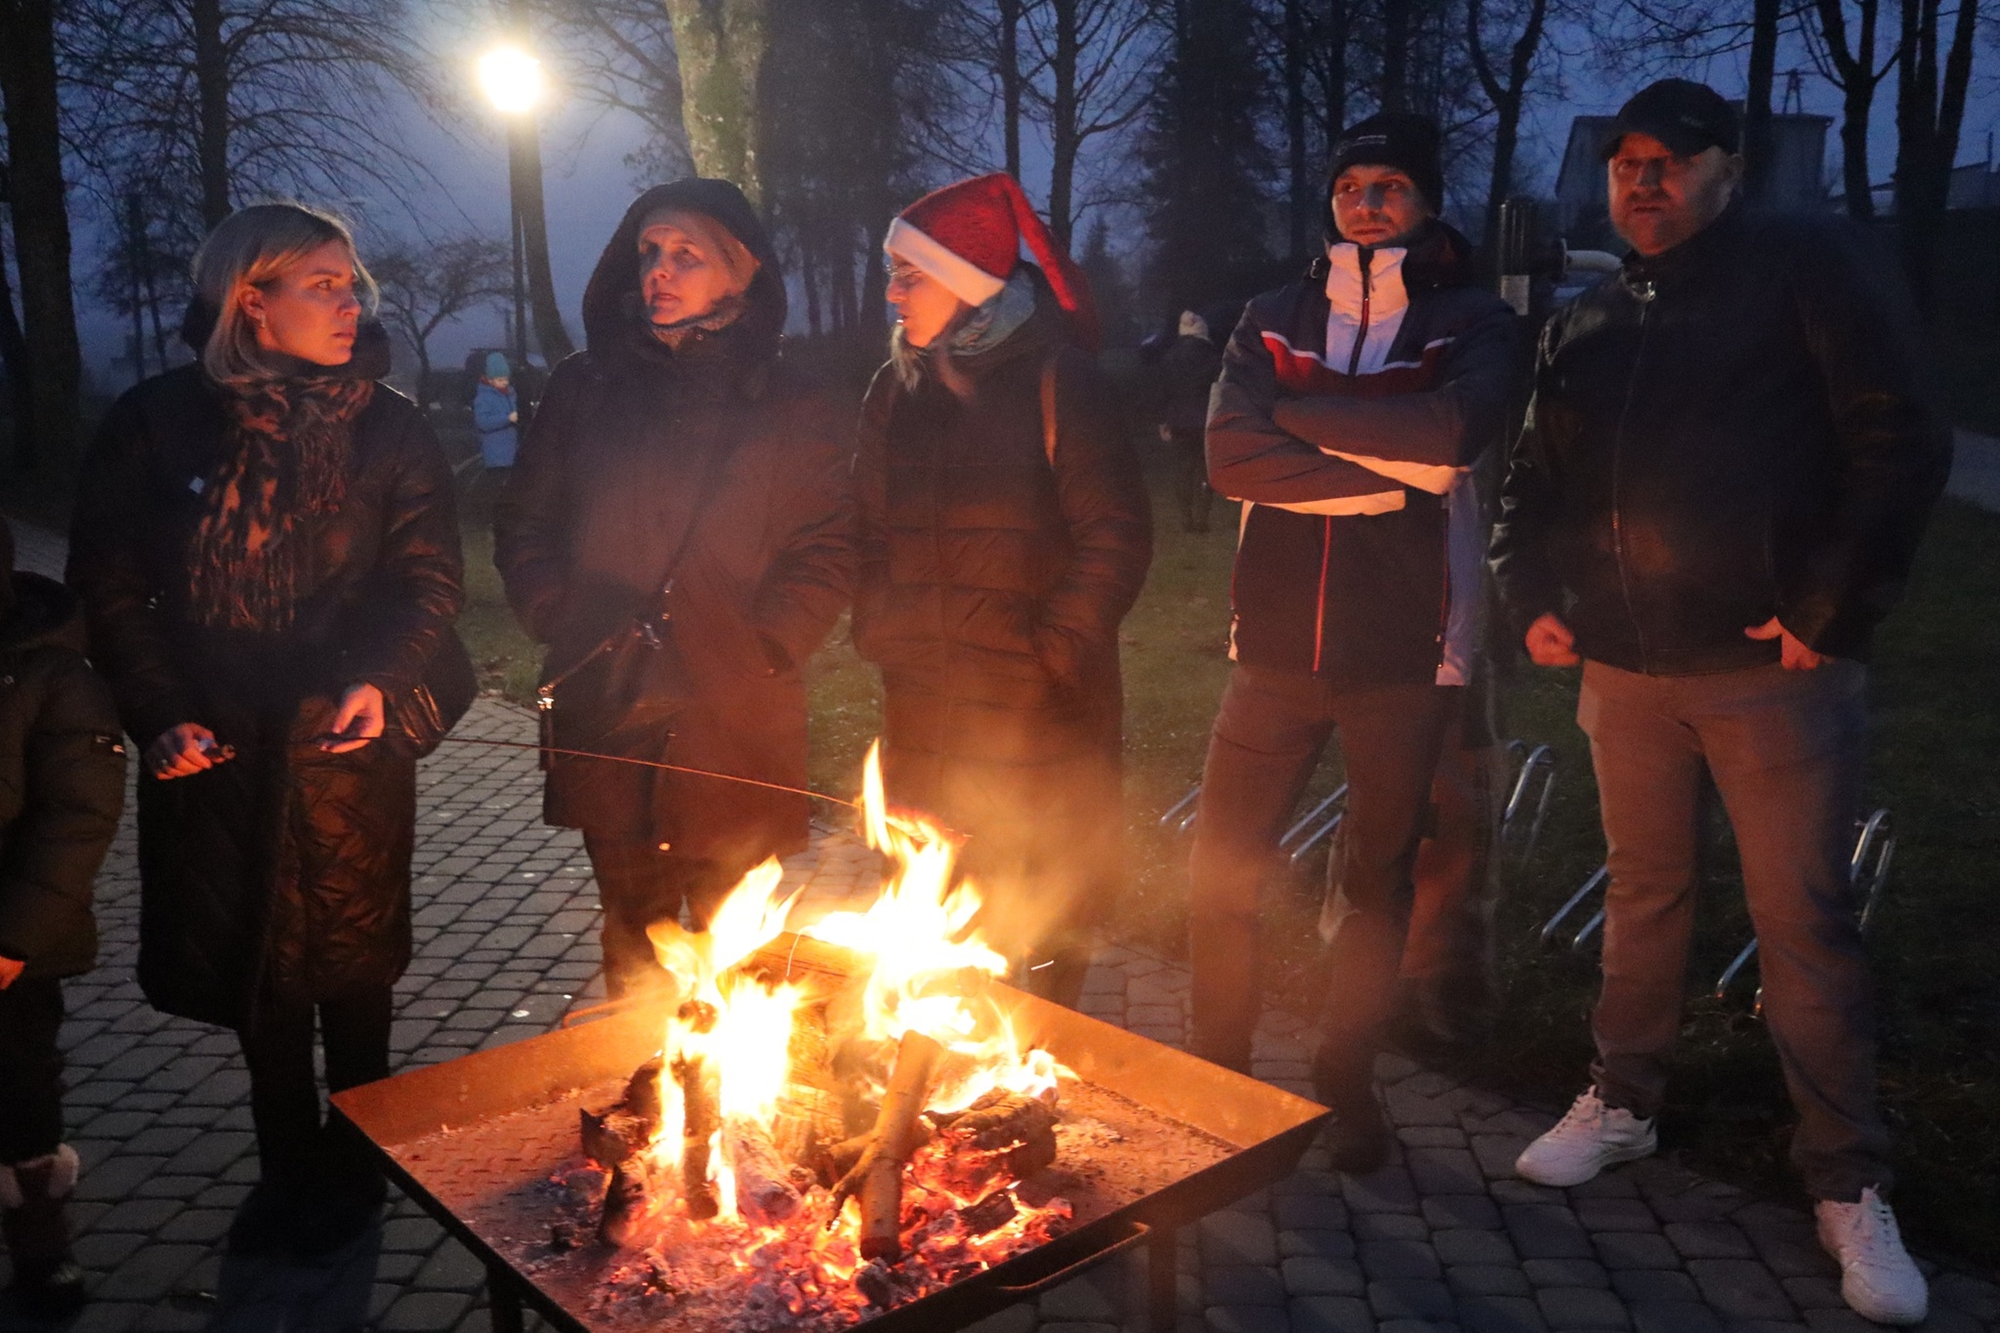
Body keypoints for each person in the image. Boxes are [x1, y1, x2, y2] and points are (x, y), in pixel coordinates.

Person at [1488, 80, 1952, 1326]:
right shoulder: (1587, 315)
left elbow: (1897, 436)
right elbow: (1533, 477)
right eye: (1624, 163)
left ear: (1726, 170)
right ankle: (1623, 1100)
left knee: (1797, 917)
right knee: (1643, 890)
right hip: (1626, 670)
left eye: (1670, 162)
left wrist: (1825, 607)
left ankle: (1846, 1180)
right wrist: (1530, 590)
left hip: (1766, 673)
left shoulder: (1803, 270)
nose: (1642, 182)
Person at [67, 203, 465, 1257]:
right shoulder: (155, 423)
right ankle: (288, 1165)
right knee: (258, 969)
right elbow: (110, 590)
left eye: (352, 282)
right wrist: (160, 713)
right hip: (219, 753)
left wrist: (380, 676)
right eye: (323, 282)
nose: (351, 300)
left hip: (343, 748)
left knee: (354, 961)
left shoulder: (387, 424)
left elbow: (425, 580)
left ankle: (368, 1159)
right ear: (253, 298)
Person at [1189, 112, 1517, 1170]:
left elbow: (1453, 435)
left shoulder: (1472, 319)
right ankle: (1215, 1074)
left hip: (1406, 654)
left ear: (1423, 204)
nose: (1365, 203)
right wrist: (1389, 484)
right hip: (1273, 647)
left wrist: (1300, 416)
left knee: (1374, 882)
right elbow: (1228, 455)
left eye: (1388, 187)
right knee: (1220, 871)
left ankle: (1343, 1075)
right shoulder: (1270, 312)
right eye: (1350, 187)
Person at [494, 179, 854, 998]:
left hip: (733, 711)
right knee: (634, 945)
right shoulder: (586, 387)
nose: (659, 269)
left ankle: (735, 1121)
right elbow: (524, 520)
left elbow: (830, 541)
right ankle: (646, 1111)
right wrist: (561, 611)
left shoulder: (795, 400)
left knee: (740, 959)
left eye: (686, 254)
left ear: (742, 269)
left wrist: (770, 640)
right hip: (612, 701)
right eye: (650, 251)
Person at [853, 173, 1151, 1008]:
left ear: (969, 280)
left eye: (909, 274)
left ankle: (1041, 1089)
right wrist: (881, 631)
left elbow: (1117, 539)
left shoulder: (1062, 383)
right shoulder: (894, 391)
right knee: (937, 928)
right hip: (923, 715)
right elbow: (866, 532)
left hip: (1043, 721)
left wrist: (1047, 655)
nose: (893, 292)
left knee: (1050, 927)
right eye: (894, 273)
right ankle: (942, 1110)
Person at [0, 519, 127, 1317]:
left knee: (20, 1090)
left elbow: (77, 814)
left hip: (14, 944)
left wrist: (13, 937)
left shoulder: (47, 669)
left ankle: (40, 1243)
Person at [1158, 311, 1222, 533]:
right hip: (1206, 421)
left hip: (1179, 421)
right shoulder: (1213, 356)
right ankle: (1202, 520)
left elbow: (1162, 391)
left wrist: (1162, 420)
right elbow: (1221, 389)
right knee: (1206, 470)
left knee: (1183, 470)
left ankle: (1186, 519)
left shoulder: (1169, 357)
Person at [472, 351, 520, 472]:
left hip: (513, 454)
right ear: (490, 380)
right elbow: (482, 422)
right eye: (500, 379)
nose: (505, 382)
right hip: (496, 458)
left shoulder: (510, 393)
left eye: (506, 379)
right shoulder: (483, 398)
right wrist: (507, 418)